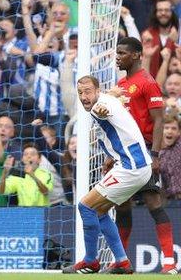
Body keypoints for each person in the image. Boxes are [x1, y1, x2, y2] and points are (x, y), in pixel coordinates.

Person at [63, 75, 152, 274]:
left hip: (131, 167)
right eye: (80, 93)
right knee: (100, 211)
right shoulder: (107, 98)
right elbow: (109, 102)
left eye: (87, 92)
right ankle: (121, 262)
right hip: (136, 166)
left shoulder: (100, 107)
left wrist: (103, 109)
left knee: (85, 206)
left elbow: (104, 110)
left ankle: (90, 261)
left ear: (97, 91)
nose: (84, 96)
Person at [113, 36, 177, 274]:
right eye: (117, 53)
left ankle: (169, 263)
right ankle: (121, 262)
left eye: (122, 53)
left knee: (153, 203)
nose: (117, 57)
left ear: (137, 55)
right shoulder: (120, 84)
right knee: (122, 206)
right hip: (124, 153)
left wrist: (155, 154)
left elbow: (159, 119)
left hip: (145, 150)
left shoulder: (148, 82)